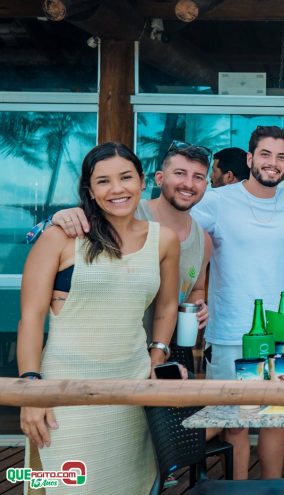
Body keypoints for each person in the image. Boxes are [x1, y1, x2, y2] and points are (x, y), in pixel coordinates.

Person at [17, 142, 180, 494]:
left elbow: (167, 307)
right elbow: (30, 318)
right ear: (89, 190)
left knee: (128, 485)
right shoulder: (61, 236)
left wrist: (157, 357)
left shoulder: (164, 240)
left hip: (131, 389)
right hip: (64, 392)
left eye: (126, 177)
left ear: (142, 181)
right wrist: (30, 392)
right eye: (103, 181)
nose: (117, 189)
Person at [191, 126, 284, 479]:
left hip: (279, 330)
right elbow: (177, 233)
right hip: (230, 329)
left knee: (277, 418)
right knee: (233, 421)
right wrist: (194, 290)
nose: (273, 163)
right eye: (265, 154)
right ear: (251, 158)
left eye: (281, 157)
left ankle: (272, 487)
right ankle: (237, 487)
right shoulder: (217, 200)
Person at [51, 141, 213, 344]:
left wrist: (197, 305)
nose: (188, 184)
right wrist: (58, 217)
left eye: (198, 177)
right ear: (159, 178)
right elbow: (83, 221)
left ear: (206, 185)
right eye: (180, 173)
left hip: (162, 349)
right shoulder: (124, 213)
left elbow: (196, 287)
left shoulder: (203, 240)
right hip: (103, 347)